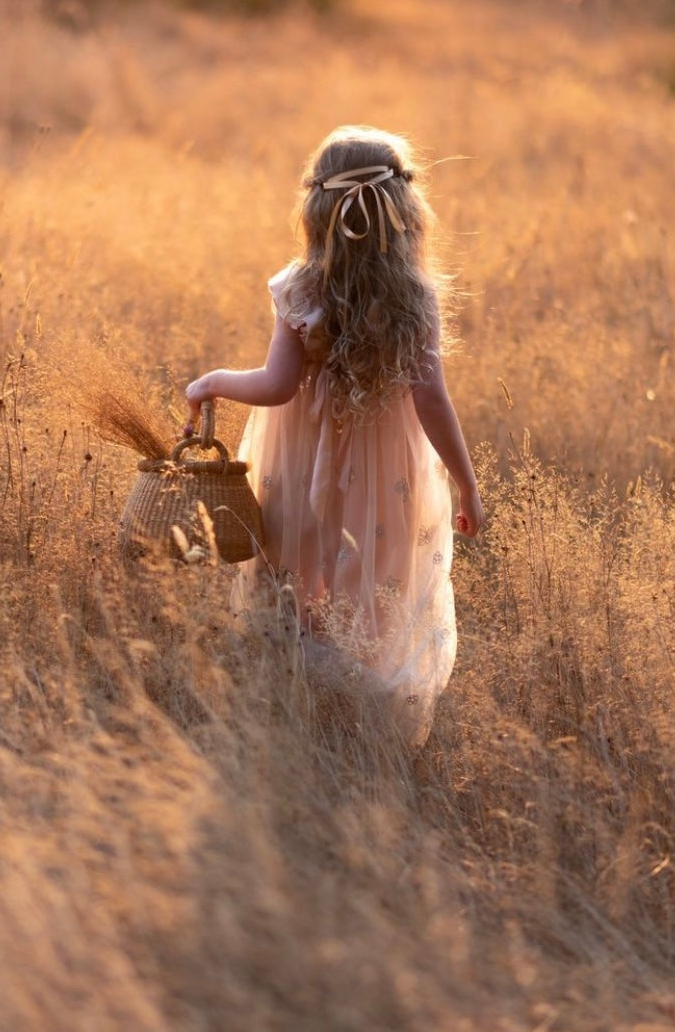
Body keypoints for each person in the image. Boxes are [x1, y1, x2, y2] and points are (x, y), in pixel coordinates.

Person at [185, 125, 483, 743]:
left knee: (300, 561)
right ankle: (365, 703)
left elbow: (276, 386)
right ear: (405, 211)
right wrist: (466, 484)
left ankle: (301, 699)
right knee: (374, 573)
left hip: (299, 454)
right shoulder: (416, 298)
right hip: (386, 469)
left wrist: (213, 380)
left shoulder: (300, 287)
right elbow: (430, 398)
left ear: (316, 208)